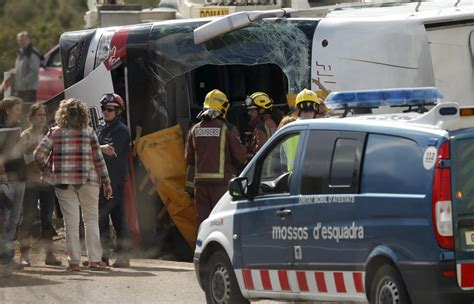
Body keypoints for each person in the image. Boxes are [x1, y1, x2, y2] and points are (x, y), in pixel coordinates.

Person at [34, 98, 113, 272]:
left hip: (63, 182)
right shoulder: (89, 132)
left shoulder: (54, 132)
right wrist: (106, 181)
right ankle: (94, 260)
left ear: (61, 114)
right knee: (91, 219)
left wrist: (50, 172)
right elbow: (98, 160)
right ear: (83, 114)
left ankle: (75, 262)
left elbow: (38, 154)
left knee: (71, 222)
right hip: (88, 180)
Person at [185, 89, 246, 227]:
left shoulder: (194, 130)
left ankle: (202, 248)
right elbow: (240, 157)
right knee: (221, 223)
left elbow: (188, 159)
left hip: (200, 186)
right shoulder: (228, 129)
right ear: (223, 107)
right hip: (222, 185)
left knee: (203, 223)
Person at [18, 103, 61, 267]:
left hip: (47, 182)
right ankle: (24, 255)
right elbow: (20, 158)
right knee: (27, 217)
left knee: (47, 219)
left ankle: (49, 255)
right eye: (38, 115)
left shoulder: (50, 134)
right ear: (31, 117)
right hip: (30, 182)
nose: (42, 118)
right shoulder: (26, 135)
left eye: (44, 115)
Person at [96, 93, 131, 268]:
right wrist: (99, 149)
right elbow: (99, 150)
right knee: (101, 220)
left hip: (114, 182)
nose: (105, 112)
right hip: (100, 181)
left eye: (109, 109)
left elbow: (111, 153)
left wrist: (97, 148)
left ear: (118, 111)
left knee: (117, 219)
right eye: (103, 109)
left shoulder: (122, 131)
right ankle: (103, 257)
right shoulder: (100, 128)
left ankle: (123, 257)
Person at [0, 97, 26, 271]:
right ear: (8, 110)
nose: (20, 112)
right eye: (17, 109)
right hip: (6, 179)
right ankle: (6, 256)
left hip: (21, 178)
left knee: (14, 219)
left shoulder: (19, 129)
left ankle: (7, 256)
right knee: (6, 218)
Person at [245, 92, 277, 161]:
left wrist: (247, 156)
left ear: (261, 110)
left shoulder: (261, 127)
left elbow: (259, 154)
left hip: (265, 169)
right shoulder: (272, 123)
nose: (249, 113)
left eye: (252, 110)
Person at [13, 32, 41, 103]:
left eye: (23, 40)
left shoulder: (32, 52)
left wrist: (24, 81)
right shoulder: (20, 53)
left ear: (28, 40)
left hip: (29, 89)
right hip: (20, 88)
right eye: (19, 40)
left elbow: (34, 71)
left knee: (28, 110)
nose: (21, 42)